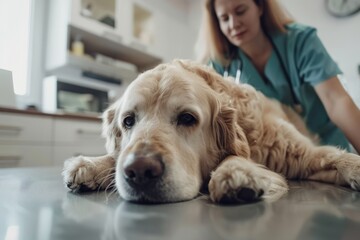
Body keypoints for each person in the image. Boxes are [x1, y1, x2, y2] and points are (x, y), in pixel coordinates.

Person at [195, 0, 360, 153]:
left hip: (330, 148)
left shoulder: (299, 42)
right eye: (224, 18)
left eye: (240, 11)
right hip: (283, 159)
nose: (233, 24)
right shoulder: (220, 67)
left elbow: (336, 101)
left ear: (259, 7)